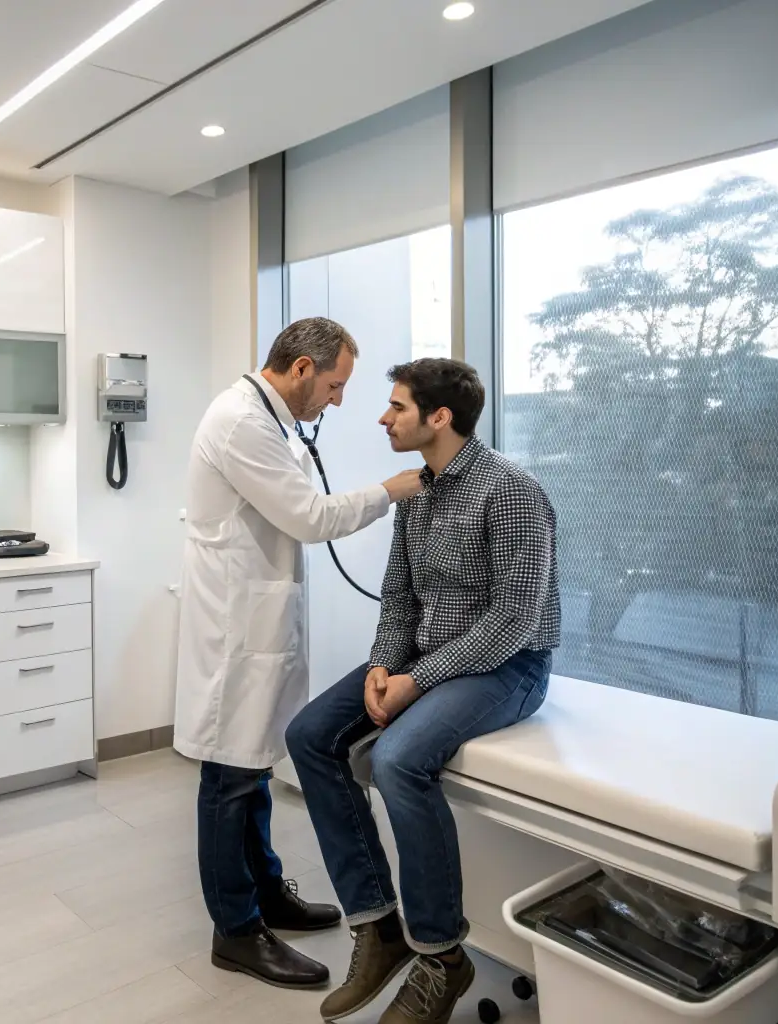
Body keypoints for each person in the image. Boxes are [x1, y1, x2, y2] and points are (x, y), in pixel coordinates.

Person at [286, 358, 561, 1024]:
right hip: (424, 655)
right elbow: (399, 595)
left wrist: (416, 681)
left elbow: (512, 619)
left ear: (439, 417)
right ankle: (377, 926)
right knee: (308, 736)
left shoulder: (511, 491)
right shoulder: (420, 490)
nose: (382, 417)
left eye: (396, 407)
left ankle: (440, 955)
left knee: (397, 759)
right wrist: (384, 665)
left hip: (507, 666)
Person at [175, 318, 425, 990]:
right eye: (336, 384)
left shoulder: (266, 418)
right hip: (234, 629)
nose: (339, 401)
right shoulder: (240, 423)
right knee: (229, 778)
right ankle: (235, 930)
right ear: (302, 368)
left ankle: (265, 894)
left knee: (251, 766)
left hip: (253, 618)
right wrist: (393, 489)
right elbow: (310, 519)